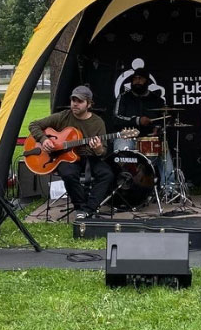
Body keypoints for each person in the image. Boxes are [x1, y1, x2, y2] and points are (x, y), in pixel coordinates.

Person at [27, 86, 112, 219]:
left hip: (89, 156)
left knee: (107, 174)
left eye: (79, 101)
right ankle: (80, 207)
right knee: (68, 173)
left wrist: (98, 149)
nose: (75, 104)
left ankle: (89, 209)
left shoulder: (98, 122)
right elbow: (34, 125)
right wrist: (43, 140)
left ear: (89, 104)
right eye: (73, 100)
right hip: (65, 156)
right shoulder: (63, 116)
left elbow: (103, 152)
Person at [113, 68, 171, 185]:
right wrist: (137, 120)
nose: (137, 81)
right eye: (135, 79)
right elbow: (115, 118)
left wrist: (158, 128)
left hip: (149, 137)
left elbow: (165, 120)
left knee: (165, 153)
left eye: (140, 79)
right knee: (121, 154)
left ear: (147, 82)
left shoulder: (157, 100)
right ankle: (121, 186)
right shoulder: (124, 97)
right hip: (126, 136)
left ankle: (169, 188)